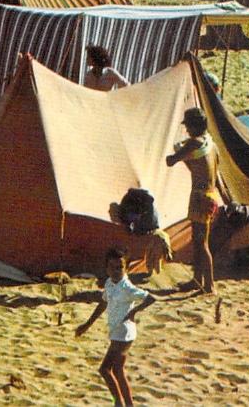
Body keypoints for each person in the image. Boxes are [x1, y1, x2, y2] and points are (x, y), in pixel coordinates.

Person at [75, 247, 156, 407]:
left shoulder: (127, 287)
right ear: (107, 269)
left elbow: (150, 298)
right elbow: (103, 303)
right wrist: (87, 324)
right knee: (118, 371)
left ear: (126, 268)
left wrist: (134, 311)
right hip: (116, 332)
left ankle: (118, 402)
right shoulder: (109, 283)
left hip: (124, 333)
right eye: (112, 267)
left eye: (120, 267)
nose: (116, 271)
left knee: (104, 370)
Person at [165, 109, 219, 293]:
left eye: (188, 126)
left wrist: (178, 150)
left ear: (194, 126)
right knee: (199, 241)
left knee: (201, 243)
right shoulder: (210, 143)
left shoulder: (194, 143)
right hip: (210, 195)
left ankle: (209, 285)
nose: (187, 130)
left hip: (199, 197)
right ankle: (198, 280)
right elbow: (203, 167)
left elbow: (171, 161)